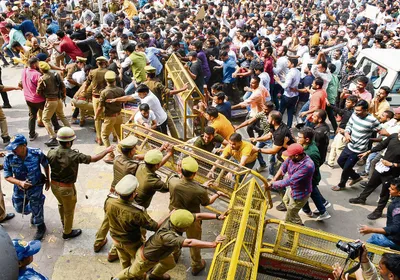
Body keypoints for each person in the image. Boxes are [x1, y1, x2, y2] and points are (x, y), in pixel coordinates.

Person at [113, 209, 226, 280]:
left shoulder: (177, 218)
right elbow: (189, 242)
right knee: (131, 273)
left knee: (170, 264)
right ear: (183, 227)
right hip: (147, 258)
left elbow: (199, 216)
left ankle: (155, 276)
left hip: (163, 252)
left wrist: (217, 216)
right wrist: (212, 244)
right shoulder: (168, 236)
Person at [47, 127, 115, 239]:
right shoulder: (74, 155)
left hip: (54, 186)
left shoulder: (51, 152)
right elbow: (94, 158)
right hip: (67, 189)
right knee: (69, 211)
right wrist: (107, 150)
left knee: (61, 204)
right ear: (69, 142)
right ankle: (67, 232)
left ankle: (64, 223)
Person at [168, 156, 228, 275]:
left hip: (174, 215)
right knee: (194, 241)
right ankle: (196, 264)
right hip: (192, 219)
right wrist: (217, 195)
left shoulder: (172, 181)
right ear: (195, 174)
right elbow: (207, 202)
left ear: (180, 170)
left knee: (174, 238)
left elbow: (184, 184)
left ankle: (174, 256)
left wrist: (202, 186)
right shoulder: (199, 191)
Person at [94, 136, 143, 262]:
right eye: (135, 148)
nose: (136, 149)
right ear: (131, 151)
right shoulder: (133, 166)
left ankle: (98, 242)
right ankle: (113, 252)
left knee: (107, 219)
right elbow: (146, 165)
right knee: (119, 225)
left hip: (112, 194)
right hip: (123, 197)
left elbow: (135, 159)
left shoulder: (117, 159)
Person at [106, 174, 161, 272]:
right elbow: (154, 226)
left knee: (124, 260)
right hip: (132, 242)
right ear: (133, 194)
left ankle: (126, 274)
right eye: (135, 191)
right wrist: (170, 214)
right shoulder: (136, 212)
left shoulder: (109, 201)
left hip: (116, 239)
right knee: (139, 263)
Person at [3, 135, 49, 240]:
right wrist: (20, 183)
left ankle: (40, 226)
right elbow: (7, 176)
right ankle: (34, 209)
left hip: (35, 186)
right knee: (19, 208)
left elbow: (45, 164)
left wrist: (47, 179)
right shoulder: (10, 157)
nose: (13, 150)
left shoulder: (36, 153)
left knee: (36, 206)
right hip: (19, 188)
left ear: (23, 145)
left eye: (15, 148)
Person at [332, 100, 382, 191]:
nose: (356, 112)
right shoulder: (354, 115)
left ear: (366, 110)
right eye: (356, 110)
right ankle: (356, 177)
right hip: (350, 145)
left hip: (359, 149)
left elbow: (382, 132)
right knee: (340, 161)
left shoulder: (372, 120)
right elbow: (349, 125)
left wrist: (379, 139)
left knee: (347, 167)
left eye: (359, 110)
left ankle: (341, 185)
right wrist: (347, 134)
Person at [349, 131, 400, 220]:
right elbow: (382, 145)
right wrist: (368, 152)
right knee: (371, 184)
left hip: (392, 173)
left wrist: (392, 164)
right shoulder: (394, 136)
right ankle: (362, 198)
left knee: (385, 193)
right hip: (381, 167)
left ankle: (378, 211)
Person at [269, 143, 314, 225]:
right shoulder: (292, 158)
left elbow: (289, 181)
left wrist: (272, 184)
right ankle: (294, 217)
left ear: (296, 155)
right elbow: (283, 166)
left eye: (290, 156)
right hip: (292, 188)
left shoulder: (307, 166)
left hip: (300, 193)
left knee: (290, 216)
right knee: (286, 202)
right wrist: (274, 179)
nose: (288, 157)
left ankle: (295, 227)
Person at [297, 128, 331, 221]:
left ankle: (308, 210)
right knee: (313, 193)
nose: (297, 139)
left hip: (309, 178)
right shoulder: (307, 146)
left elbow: (313, 168)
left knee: (305, 193)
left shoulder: (311, 153)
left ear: (307, 139)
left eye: (299, 137)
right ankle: (321, 211)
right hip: (310, 178)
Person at [358, 178, 400, 250]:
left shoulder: (397, 208)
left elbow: (396, 228)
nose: (389, 189)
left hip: (395, 239)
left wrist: (371, 230)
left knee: (367, 247)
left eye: (392, 189)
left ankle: (365, 261)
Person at [36, 61, 70, 147]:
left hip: (50, 101)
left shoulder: (43, 78)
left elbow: (38, 92)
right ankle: (70, 132)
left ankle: (53, 137)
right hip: (58, 99)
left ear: (41, 69)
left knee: (45, 119)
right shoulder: (56, 74)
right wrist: (63, 96)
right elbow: (63, 86)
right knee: (62, 115)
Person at [96, 71, 124, 163]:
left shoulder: (104, 92)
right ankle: (124, 153)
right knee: (120, 135)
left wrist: (96, 115)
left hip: (109, 117)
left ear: (106, 80)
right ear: (114, 80)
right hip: (119, 115)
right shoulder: (120, 90)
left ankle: (110, 155)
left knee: (104, 135)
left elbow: (100, 107)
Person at [326, 95, 358, 168]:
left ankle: (347, 166)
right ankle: (330, 162)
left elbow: (353, 125)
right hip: (340, 131)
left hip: (344, 133)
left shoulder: (354, 113)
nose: (346, 103)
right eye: (346, 101)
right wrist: (330, 105)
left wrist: (345, 131)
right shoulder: (347, 109)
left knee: (339, 149)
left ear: (353, 104)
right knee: (333, 146)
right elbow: (340, 111)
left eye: (348, 102)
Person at [85, 56, 109, 145]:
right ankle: (114, 136)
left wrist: (84, 91)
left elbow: (87, 84)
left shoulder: (92, 72)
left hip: (96, 97)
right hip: (107, 97)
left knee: (97, 118)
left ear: (97, 63)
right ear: (105, 63)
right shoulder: (109, 72)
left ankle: (99, 138)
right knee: (108, 116)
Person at [275, 58, 300, 128]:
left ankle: (277, 125)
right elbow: (293, 81)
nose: (287, 64)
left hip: (287, 96)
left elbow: (285, 86)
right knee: (290, 112)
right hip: (295, 96)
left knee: (281, 111)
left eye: (288, 62)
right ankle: (288, 127)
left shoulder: (290, 73)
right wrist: (285, 77)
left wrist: (278, 80)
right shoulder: (297, 71)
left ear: (292, 64)